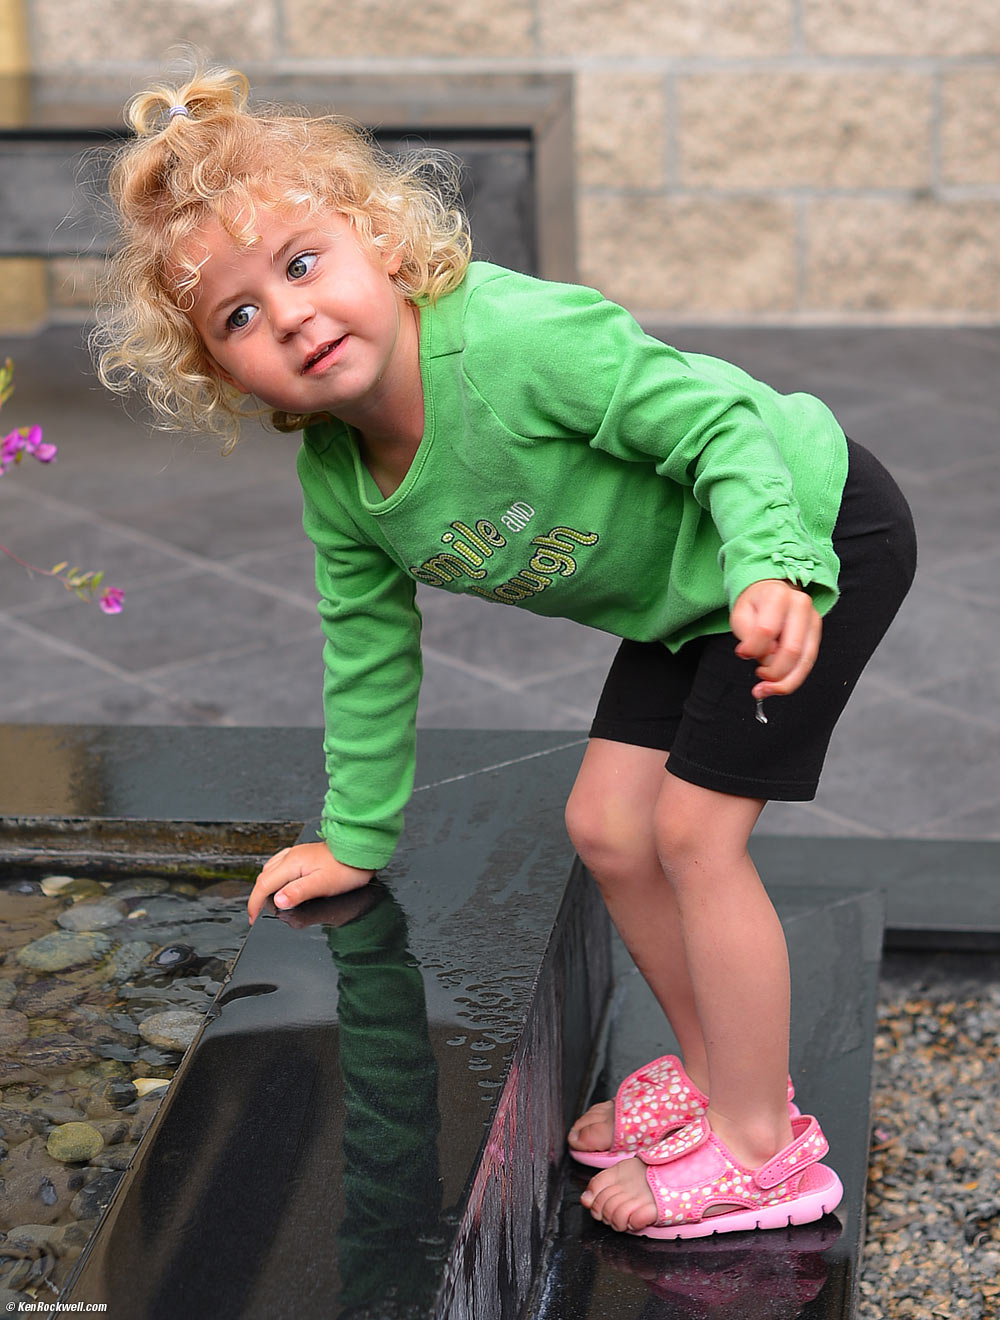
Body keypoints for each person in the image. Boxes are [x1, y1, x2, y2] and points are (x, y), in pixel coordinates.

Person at [93, 66, 916, 1242]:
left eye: (303, 263)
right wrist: (354, 838)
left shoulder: (513, 340)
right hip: (692, 596)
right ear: (219, 373)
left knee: (693, 833)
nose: (289, 316)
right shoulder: (340, 481)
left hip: (804, 527)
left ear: (381, 243)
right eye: (237, 316)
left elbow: (717, 422)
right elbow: (367, 654)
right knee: (607, 827)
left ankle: (762, 1150)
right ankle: (720, 1073)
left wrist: (769, 563)